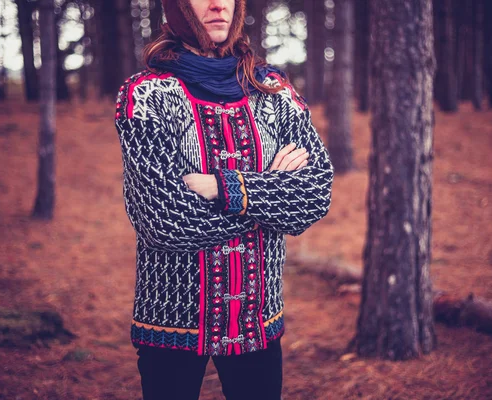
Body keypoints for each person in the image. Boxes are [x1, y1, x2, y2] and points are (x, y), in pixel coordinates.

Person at [113, 0, 334, 398]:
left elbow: (314, 195)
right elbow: (165, 221)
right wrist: (272, 188)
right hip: (171, 322)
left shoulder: (274, 91)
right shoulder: (145, 95)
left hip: (257, 319)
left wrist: (223, 186)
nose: (218, 5)